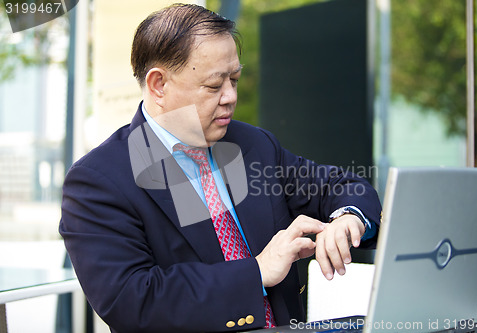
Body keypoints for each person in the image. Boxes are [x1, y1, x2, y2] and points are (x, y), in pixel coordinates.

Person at [60, 4, 382, 333]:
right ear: (159, 85)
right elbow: (132, 300)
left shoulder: (253, 144)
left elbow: (340, 187)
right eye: (214, 86)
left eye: (235, 79)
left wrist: (350, 217)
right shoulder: (99, 180)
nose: (230, 96)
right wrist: (256, 272)